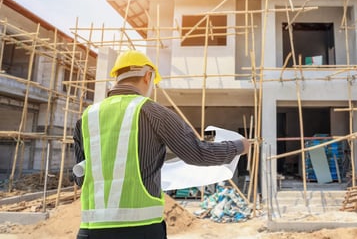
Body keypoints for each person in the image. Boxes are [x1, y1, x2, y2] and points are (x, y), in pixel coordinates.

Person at [73, 50, 250, 239]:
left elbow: (80, 178)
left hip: (90, 231)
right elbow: (197, 153)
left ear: (116, 77)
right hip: (141, 230)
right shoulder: (153, 112)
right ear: (148, 76)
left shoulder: (86, 117)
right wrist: (238, 146)